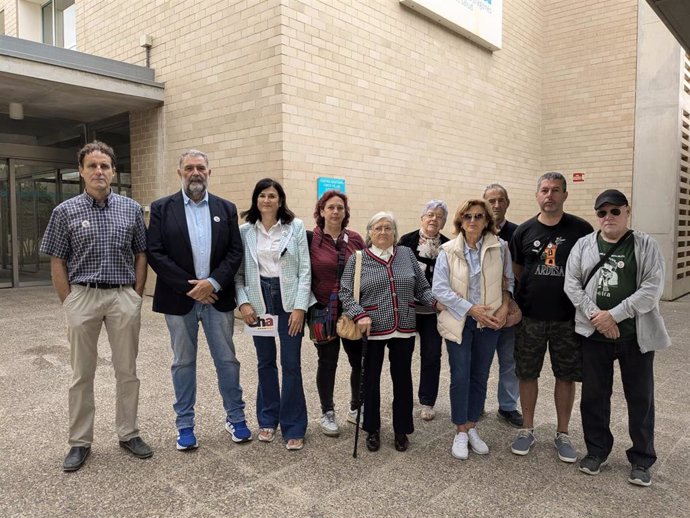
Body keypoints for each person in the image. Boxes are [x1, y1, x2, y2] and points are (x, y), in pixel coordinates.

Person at [40, 141, 152, 472]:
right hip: (83, 296)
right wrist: (70, 301)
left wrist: (136, 294)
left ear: (114, 172)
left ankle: (128, 433)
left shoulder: (130, 209)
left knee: (127, 371)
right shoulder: (65, 211)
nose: (99, 171)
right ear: (82, 172)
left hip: (122, 296)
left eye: (105, 166)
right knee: (81, 374)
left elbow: (141, 253)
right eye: (92, 166)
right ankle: (79, 442)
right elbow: (57, 259)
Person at [564, 189, 670, 487]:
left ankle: (641, 458)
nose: (608, 217)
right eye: (602, 212)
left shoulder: (645, 244)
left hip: (634, 337)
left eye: (614, 211)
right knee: (594, 397)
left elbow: (652, 288)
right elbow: (572, 285)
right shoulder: (584, 245)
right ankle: (597, 451)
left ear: (627, 211)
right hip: (594, 336)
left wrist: (616, 315)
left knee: (640, 398)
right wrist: (598, 317)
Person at [147, 150, 251, 451]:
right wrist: (190, 286)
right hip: (181, 301)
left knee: (227, 361)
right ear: (180, 172)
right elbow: (156, 252)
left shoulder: (226, 208)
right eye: (189, 168)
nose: (196, 172)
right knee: (183, 363)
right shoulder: (162, 208)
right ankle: (185, 426)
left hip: (217, 298)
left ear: (209, 172)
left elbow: (235, 252)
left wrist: (213, 282)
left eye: (201, 168)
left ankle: (236, 417)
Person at [509, 172, 593, 462]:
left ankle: (563, 433)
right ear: (537, 195)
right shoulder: (523, 231)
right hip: (530, 317)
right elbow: (519, 272)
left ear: (565, 195)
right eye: (544, 190)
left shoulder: (582, 230)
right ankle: (527, 429)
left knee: (565, 376)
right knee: (527, 373)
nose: (550, 195)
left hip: (567, 318)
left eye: (556, 190)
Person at [339, 211, 437, 453]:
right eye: (378, 228)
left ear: (395, 232)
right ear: (370, 233)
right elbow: (345, 292)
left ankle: (401, 429)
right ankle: (371, 428)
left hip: (403, 325)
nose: (383, 232)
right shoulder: (359, 258)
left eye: (388, 228)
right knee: (370, 379)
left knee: (403, 379)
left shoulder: (405, 254)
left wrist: (436, 302)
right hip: (372, 327)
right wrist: (359, 314)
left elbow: (421, 287)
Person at [432, 200, 514, 459]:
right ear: (460, 220)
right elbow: (440, 289)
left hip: (489, 321)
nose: (473, 221)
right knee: (460, 374)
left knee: (480, 375)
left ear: (486, 220)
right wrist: (470, 309)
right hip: (460, 319)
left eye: (479, 216)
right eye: (468, 216)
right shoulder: (447, 250)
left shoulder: (500, 248)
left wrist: (503, 307)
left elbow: (508, 281)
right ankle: (460, 430)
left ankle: (472, 426)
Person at [235, 178, 312, 451]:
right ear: (256, 200)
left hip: (288, 300)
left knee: (291, 364)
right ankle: (267, 418)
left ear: (281, 201)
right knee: (265, 362)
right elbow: (239, 273)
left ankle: (294, 425)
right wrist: (243, 304)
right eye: (262, 196)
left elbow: (305, 270)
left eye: (272, 196)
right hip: (259, 301)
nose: (267, 200)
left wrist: (301, 307)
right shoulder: (245, 231)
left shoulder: (296, 227)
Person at [308, 190, 366, 436]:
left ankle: (356, 408)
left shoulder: (355, 239)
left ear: (345, 212)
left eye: (340, 208)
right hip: (323, 310)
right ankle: (327, 411)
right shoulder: (310, 239)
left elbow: (367, 271)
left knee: (359, 362)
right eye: (330, 207)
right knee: (327, 362)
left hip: (352, 310)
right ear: (321, 211)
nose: (335, 212)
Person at [397, 200, 450, 421]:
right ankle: (403, 398)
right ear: (422, 218)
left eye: (439, 216)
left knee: (431, 355)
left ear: (444, 222)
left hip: (433, 312)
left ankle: (427, 400)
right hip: (408, 309)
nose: (433, 219)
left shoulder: (448, 246)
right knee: (402, 355)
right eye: (430, 214)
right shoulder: (406, 242)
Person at [482, 184, 523, 427]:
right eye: (491, 200)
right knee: (481, 362)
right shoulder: (473, 231)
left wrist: (514, 306)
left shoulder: (519, 233)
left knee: (509, 360)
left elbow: (521, 275)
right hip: (483, 313)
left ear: (507, 203)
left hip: (510, 312)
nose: (496, 205)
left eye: (500, 200)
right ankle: (476, 404)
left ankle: (507, 406)